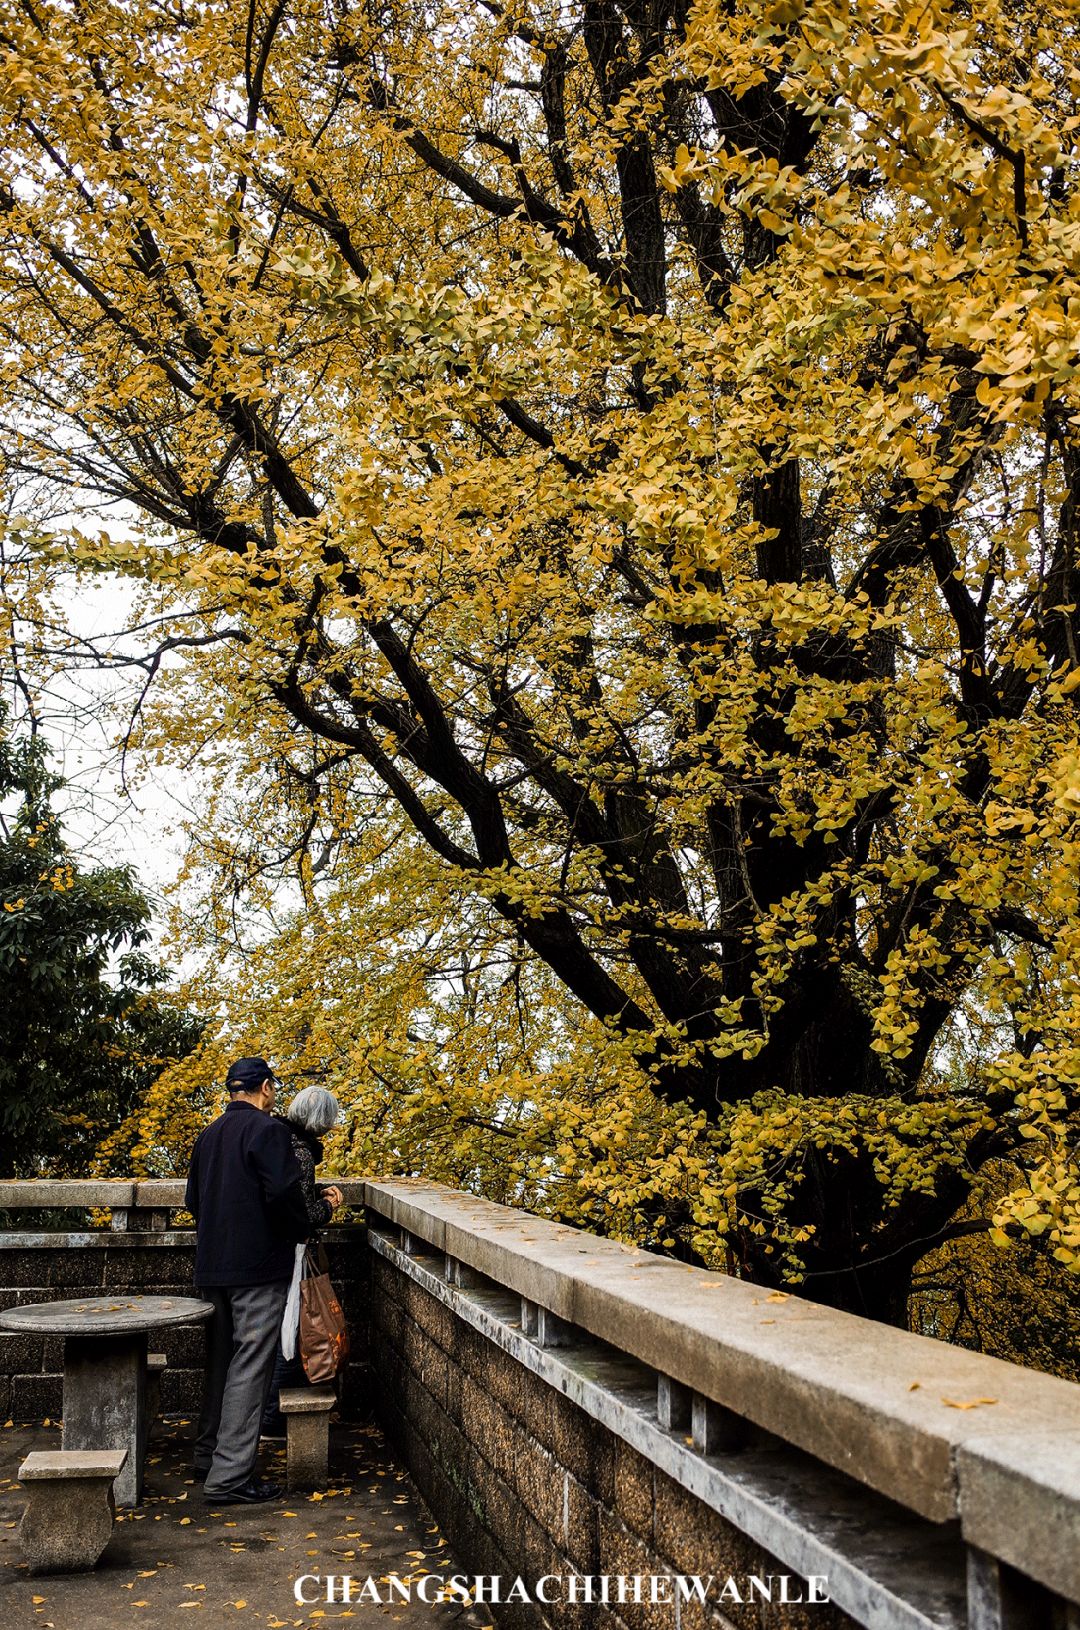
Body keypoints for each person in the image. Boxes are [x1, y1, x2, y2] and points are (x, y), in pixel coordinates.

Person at [184, 1056, 312, 1504]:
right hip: (256, 1267)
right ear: (268, 1088)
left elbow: (193, 1199)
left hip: (212, 1265)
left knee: (219, 1362)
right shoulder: (269, 1131)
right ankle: (230, 1478)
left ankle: (207, 1458)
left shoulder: (209, 1134)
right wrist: (302, 1225)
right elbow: (282, 1194)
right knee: (251, 1366)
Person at [260, 1085, 344, 1437]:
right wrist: (328, 1206)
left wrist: (314, 1190)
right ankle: (273, 1418)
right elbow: (302, 1214)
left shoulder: (277, 1139)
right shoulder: (302, 1153)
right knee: (291, 1329)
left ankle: (267, 1414)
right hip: (291, 1252)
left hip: (265, 1250)